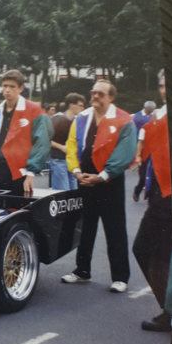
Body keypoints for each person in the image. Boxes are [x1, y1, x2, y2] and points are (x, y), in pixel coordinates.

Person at [61, 79, 136, 292]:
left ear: (111, 97)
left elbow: (124, 153)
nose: (94, 96)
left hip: (109, 182)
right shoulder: (82, 118)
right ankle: (82, 270)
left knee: (115, 229)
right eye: (93, 92)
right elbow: (72, 145)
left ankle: (120, 277)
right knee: (85, 227)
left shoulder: (123, 120)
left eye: (100, 94)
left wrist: (103, 176)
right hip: (84, 179)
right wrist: (75, 171)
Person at [134, 70, 172, 330]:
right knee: (147, 250)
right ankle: (168, 310)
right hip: (161, 193)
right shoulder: (160, 113)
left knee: (158, 252)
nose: (164, 89)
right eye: (162, 84)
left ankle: (169, 312)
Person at [0, 70, 51, 197]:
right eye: (5, 86)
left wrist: (31, 173)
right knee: (0, 209)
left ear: (20, 88)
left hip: (20, 173)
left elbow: (41, 143)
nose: (7, 90)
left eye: (12, 86)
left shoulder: (33, 110)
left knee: (19, 210)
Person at [49, 93, 85, 190]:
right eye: (80, 105)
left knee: (73, 194)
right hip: (59, 161)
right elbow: (46, 140)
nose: (82, 108)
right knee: (62, 193)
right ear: (71, 105)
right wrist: (62, 147)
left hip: (72, 163)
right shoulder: (57, 119)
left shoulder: (78, 121)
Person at [132, 100, 158, 201]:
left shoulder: (159, 127)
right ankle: (137, 191)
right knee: (143, 177)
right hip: (144, 153)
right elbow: (140, 142)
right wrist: (138, 155)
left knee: (154, 176)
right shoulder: (140, 121)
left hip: (155, 154)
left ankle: (151, 197)